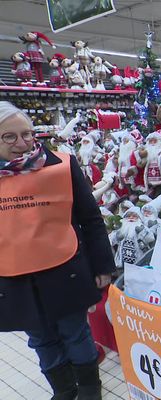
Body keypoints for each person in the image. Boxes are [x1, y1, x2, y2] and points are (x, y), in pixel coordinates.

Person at [0, 101, 115, 400]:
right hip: (14, 278)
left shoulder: (60, 166)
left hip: (65, 269)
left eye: (27, 134)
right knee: (41, 339)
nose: (22, 143)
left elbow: (91, 217)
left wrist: (103, 266)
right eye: (9, 137)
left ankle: (90, 391)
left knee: (75, 332)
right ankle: (64, 390)